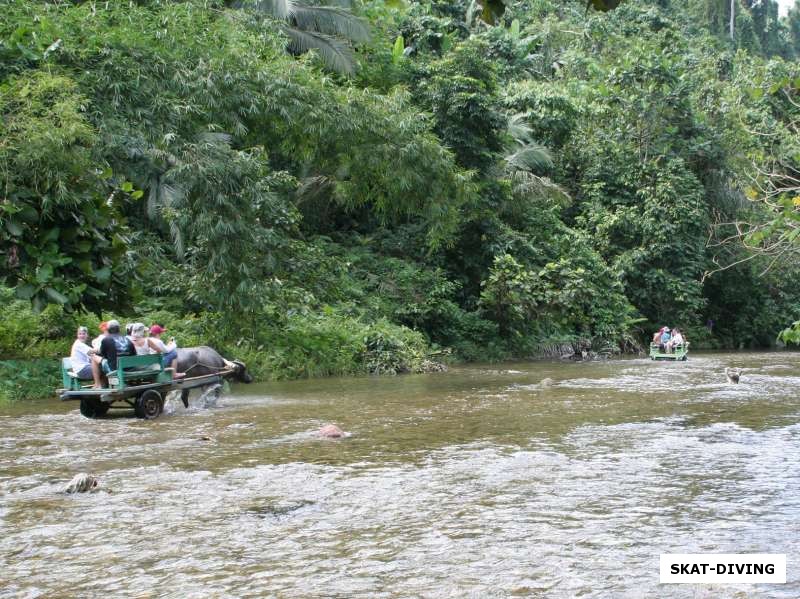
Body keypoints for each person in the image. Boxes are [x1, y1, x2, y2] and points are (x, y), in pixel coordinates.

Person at [93, 319, 135, 387]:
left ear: (108, 329)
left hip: (115, 370)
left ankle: (97, 384)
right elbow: (134, 355)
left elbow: (102, 354)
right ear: (119, 329)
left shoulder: (106, 340)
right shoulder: (127, 340)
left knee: (94, 357)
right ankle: (105, 383)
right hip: (130, 369)